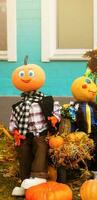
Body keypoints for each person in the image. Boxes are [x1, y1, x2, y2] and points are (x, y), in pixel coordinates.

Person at [9, 58, 61, 196]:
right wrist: (15, 131)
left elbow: (56, 110)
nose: (25, 77)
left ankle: (38, 176)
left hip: (41, 133)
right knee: (23, 152)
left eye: (30, 74)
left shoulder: (45, 100)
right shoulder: (19, 105)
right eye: (21, 75)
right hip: (25, 135)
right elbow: (13, 120)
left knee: (41, 146)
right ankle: (24, 181)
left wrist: (55, 118)